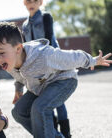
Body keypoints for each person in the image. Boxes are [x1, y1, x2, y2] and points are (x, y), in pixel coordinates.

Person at [0, 22, 112, 138]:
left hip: (63, 81)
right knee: (18, 111)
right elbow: (20, 77)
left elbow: (72, 57)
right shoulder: (10, 62)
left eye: (1, 52)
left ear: (18, 49)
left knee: (40, 108)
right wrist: (18, 90)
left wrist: (93, 61)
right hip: (40, 86)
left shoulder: (43, 55)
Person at [21, 0, 70, 136]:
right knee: (45, 101)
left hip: (53, 63)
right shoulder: (24, 25)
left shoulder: (45, 17)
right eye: (28, 1)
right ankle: (53, 133)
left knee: (58, 101)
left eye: (34, 0)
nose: (31, 3)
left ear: (40, 2)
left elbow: (49, 39)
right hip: (36, 69)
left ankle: (66, 134)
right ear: (24, 3)